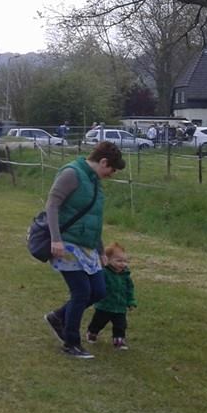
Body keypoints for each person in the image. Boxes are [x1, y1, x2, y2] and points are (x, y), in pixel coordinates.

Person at [43, 140, 125, 359]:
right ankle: (71, 342)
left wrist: (100, 250)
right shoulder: (71, 173)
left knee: (98, 290)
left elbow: (93, 219)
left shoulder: (95, 181)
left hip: (88, 246)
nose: (111, 175)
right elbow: (52, 205)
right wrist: (56, 239)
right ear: (103, 162)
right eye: (111, 170)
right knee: (81, 292)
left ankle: (58, 317)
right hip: (67, 243)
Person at [85, 242, 136, 349]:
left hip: (120, 306)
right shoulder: (104, 273)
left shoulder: (126, 275)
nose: (123, 264)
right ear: (107, 260)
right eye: (119, 261)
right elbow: (96, 285)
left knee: (120, 325)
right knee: (98, 322)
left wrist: (131, 301)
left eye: (125, 261)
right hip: (105, 305)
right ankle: (92, 332)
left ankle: (119, 339)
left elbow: (129, 289)